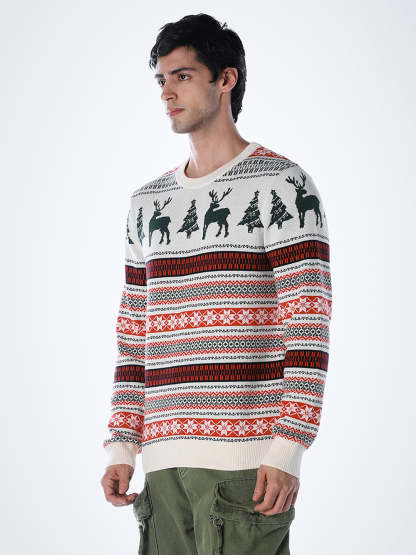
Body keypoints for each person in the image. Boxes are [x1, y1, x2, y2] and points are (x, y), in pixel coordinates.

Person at [100, 13, 332, 554]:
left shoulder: (282, 185)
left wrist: (287, 448)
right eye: (162, 80)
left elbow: (308, 327)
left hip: (245, 467)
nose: (167, 93)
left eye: (182, 76)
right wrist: (122, 444)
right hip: (162, 468)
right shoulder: (146, 204)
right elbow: (134, 337)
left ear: (226, 79)